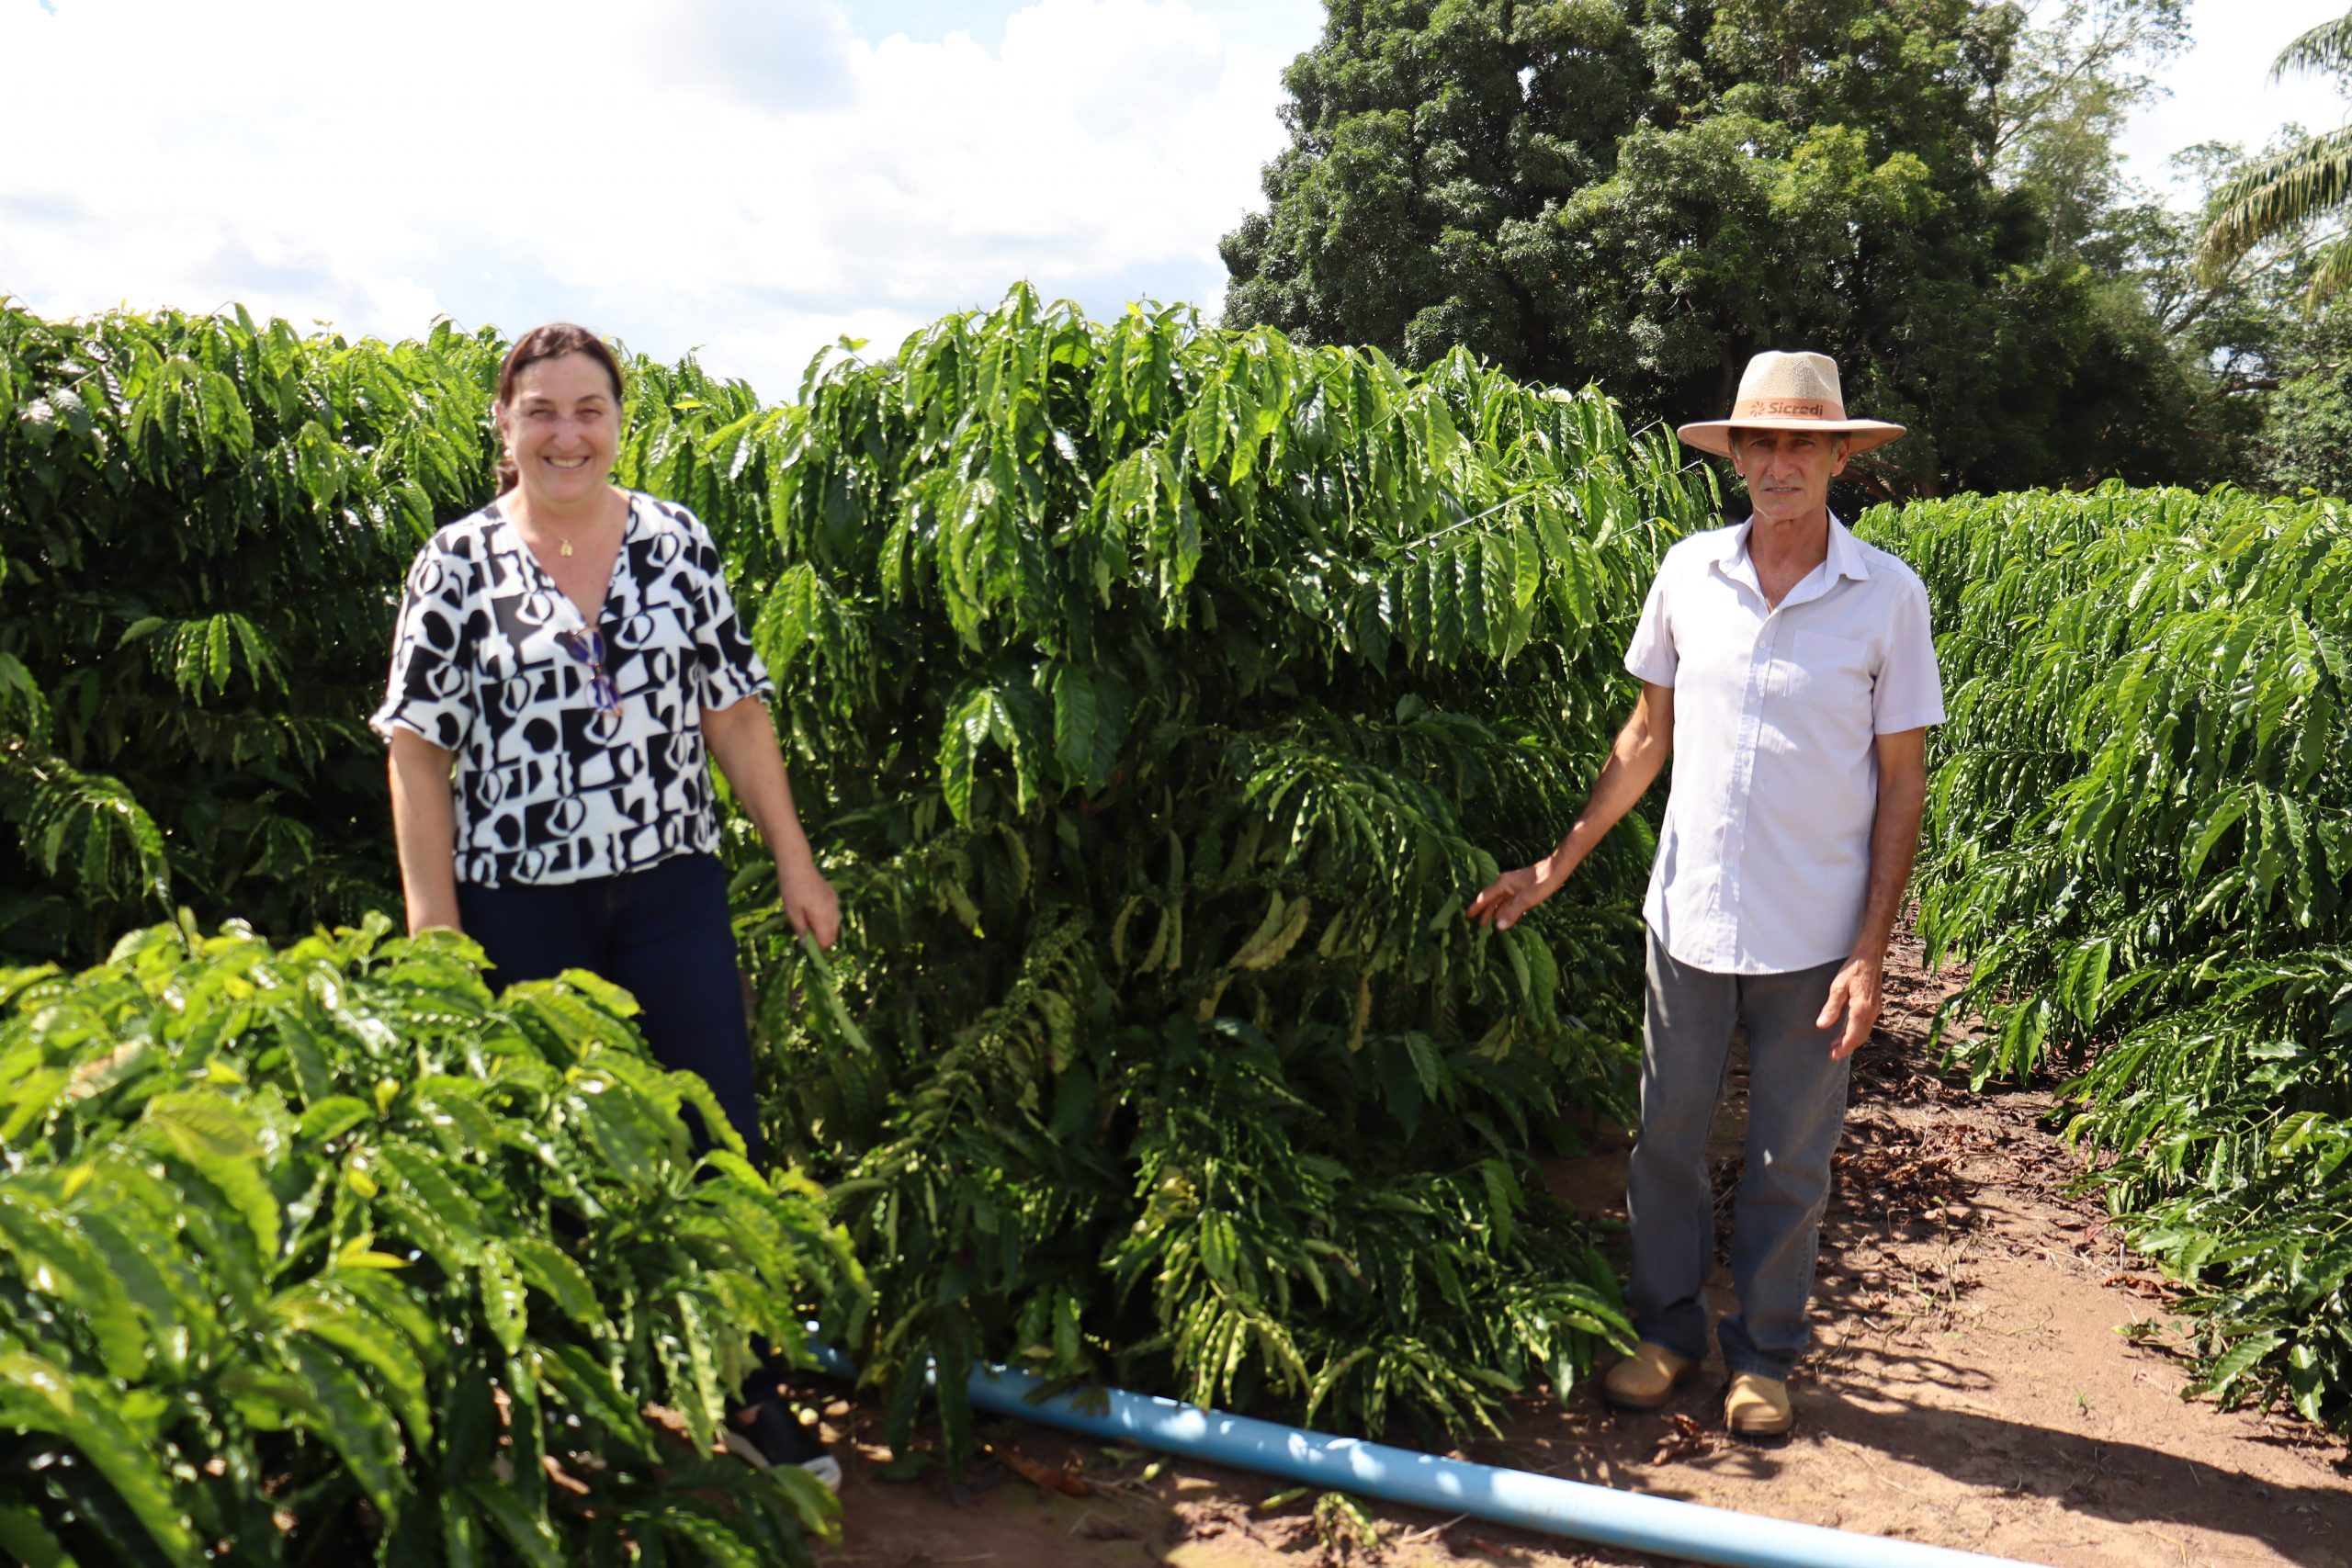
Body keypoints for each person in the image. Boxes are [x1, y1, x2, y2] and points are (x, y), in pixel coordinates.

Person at [371, 321, 843, 1485]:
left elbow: (733, 711)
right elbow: (417, 751)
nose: (565, 433)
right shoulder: (457, 563)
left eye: (588, 410)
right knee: (539, 1150)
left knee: (714, 1137)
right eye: (541, 411)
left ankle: (742, 1387)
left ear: (619, 422)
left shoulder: (677, 542)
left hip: (668, 889)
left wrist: (793, 856)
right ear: (503, 424)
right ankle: (558, 1401)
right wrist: (435, 930)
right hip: (517, 906)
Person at [1465, 350, 1942, 1440]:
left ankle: (1764, 1354)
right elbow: (1646, 735)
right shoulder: (1689, 573)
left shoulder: (1885, 598)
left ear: (1836, 459)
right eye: (1759, 442)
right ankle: (1668, 1331)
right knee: (1665, 1138)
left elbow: (1903, 783)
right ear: (1734, 457)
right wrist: (1555, 864)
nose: (1779, 463)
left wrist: (1873, 951)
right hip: (1688, 918)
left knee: (1789, 1157)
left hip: (1816, 934)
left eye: (1801, 444)